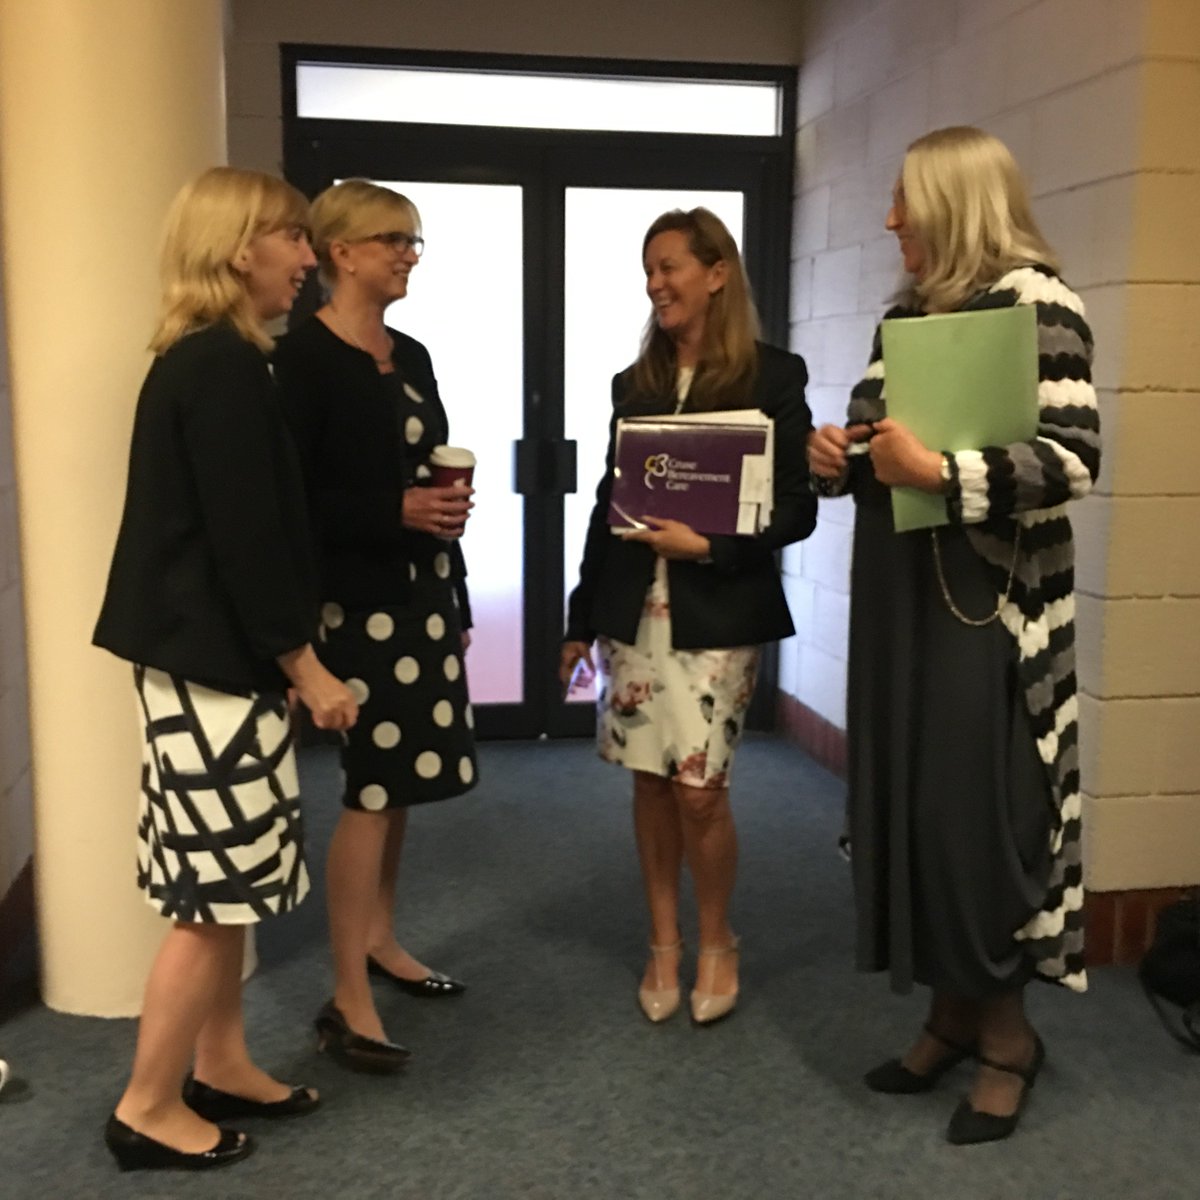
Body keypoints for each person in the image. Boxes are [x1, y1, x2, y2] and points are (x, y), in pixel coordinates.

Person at [807, 126, 1100, 1145]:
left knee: (976, 822)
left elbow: (1072, 460)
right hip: (902, 599)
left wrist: (940, 473)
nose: (891, 218)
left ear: (957, 203)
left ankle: (1007, 1040)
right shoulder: (907, 315)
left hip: (990, 610)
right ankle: (947, 1017)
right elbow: (874, 443)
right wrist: (836, 456)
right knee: (914, 810)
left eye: (906, 199)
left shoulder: (1039, 305)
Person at [93, 167, 359, 1171]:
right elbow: (246, 541)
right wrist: (306, 663)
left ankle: (222, 1064)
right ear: (241, 247)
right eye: (291, 237)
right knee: (211, 902)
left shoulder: (213, 359)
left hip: (200, 663)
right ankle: (148, 1107)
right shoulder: (222, 368)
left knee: (222, 888)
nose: (306, 257)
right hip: (213, 668)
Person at [562, 208, 815, 1026]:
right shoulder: (633, 384)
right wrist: (578, 619)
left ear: (716, 273)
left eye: (668, 266)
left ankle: (717, 941)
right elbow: (606, 505)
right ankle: (663, 943)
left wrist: (710, 545)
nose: (655, 284)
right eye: (649, 270)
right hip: (633, 612)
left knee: (699, 790)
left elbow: (797, 509)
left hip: (717, 611)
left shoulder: (773, 377)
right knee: (650, 780)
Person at [274, 179, 478, 1073]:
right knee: (369, 788)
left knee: (400, 787)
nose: (408, 255)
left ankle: (381, 938)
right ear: (341, 252)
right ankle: (347, 991)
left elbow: (428, 477)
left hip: (422, 592)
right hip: (353, 604)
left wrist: (453, 587)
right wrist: (393, 510)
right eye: (393, 239)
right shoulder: (301, 360)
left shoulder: (413, 354)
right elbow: (290, 501)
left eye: (414, 241)